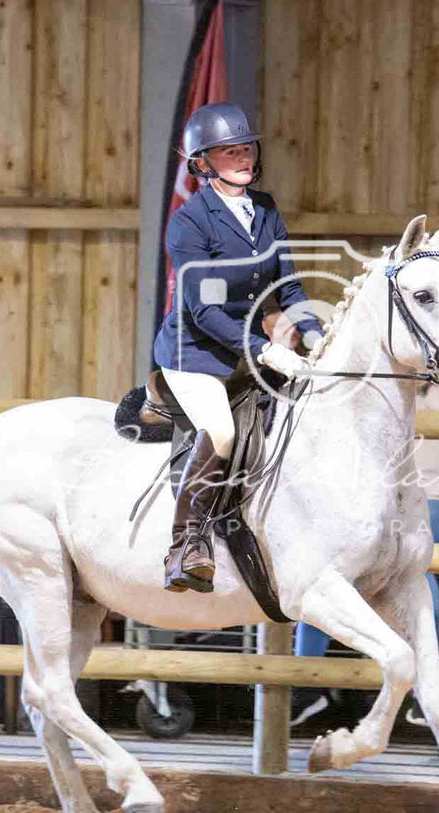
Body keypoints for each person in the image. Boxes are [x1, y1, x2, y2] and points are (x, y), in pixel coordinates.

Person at [151, 101, 323, 593]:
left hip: (245, 349)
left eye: (246, 148)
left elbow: (288, 288)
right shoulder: (189, 224)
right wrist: (263, 349)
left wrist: (315, 337)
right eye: (229, 152)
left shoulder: (265, 210)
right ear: (203, 163)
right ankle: (186, 543)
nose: (243, 158)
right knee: (222, 432)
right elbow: (203, 312)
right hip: (197, 354)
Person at [290, 382, 439, 727]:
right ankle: (308, 685)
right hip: (383, 501)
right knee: (322, 564)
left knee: (415, 563)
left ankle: (426, 685)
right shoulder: (393, 384)